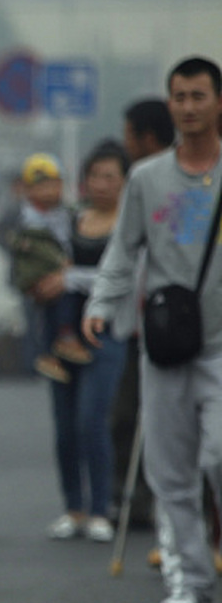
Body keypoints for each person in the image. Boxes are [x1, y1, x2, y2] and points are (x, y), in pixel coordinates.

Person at [86, 57, 222, 603]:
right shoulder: (146, 179)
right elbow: (123, 250)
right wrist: (101, 302)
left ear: (218, 102)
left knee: (218, 454)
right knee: (169, 471)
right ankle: (189, 580)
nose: (187, 107)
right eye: (179, 97)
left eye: (198, 96)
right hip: (165, 344)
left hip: (219, 345)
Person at [34, 142, 129, 543]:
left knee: (92, 420)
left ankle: (100, 508)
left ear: (125, 182)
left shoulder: (129, 226)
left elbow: (125, 277)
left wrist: (71, 278)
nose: (101, 184)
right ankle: (73, 507)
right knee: (65, 427)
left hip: (107, 335)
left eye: (110, 176)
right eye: (94, 176)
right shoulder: (68, 223)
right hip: (62, 337)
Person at [110, 98, 175, 534]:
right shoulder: (139, 181)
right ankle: (135, 502)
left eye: (129, 134)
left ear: (146, 137)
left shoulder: (182, 182)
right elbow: (121, 252)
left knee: (185, 436)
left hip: (185, 326)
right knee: (125, 418)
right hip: (137, 325)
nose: (125, 142)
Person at [7, 153, 91, 383]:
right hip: (37, 274)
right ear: (27, 189)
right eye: (39, 185)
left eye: (51, 184)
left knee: (65, 303)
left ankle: (59, 344)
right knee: (41, 316)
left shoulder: (71, 213)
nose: (47, 191)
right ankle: (48, 351)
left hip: (67, 275)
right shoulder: (23, 217)